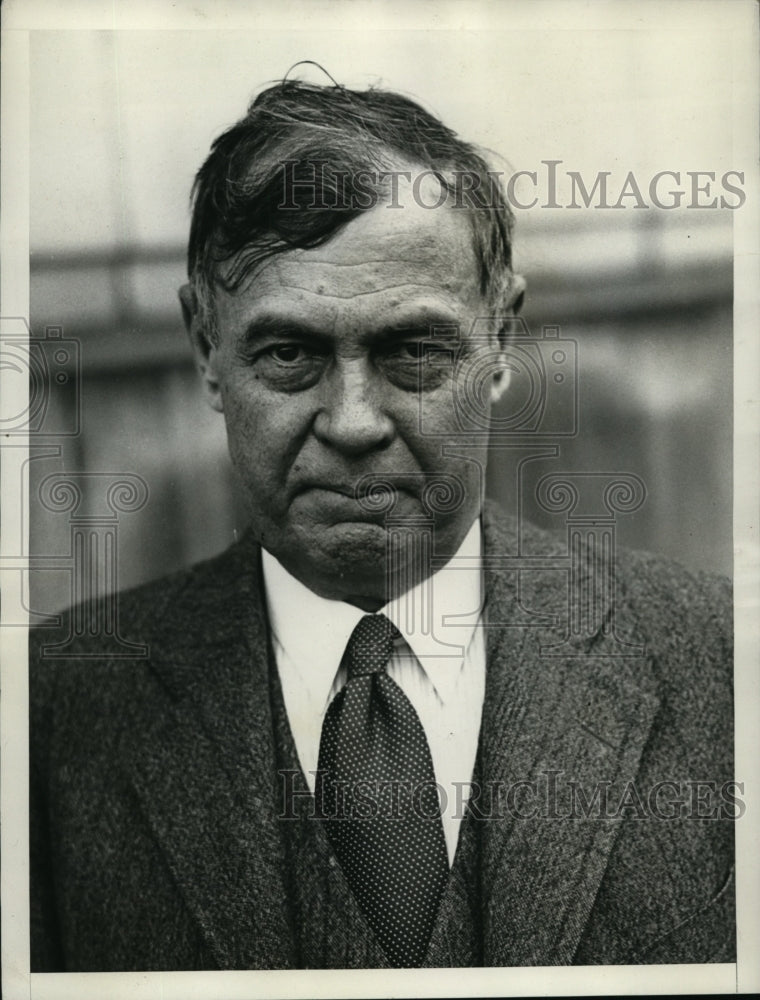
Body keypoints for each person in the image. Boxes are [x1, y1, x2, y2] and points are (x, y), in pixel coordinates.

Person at [30, 77, 735, 971]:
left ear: (500, 340)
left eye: (413, 351)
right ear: (207, 348)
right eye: (290, 353)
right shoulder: (48, 714)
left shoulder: (720, 660)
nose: (355, 422)